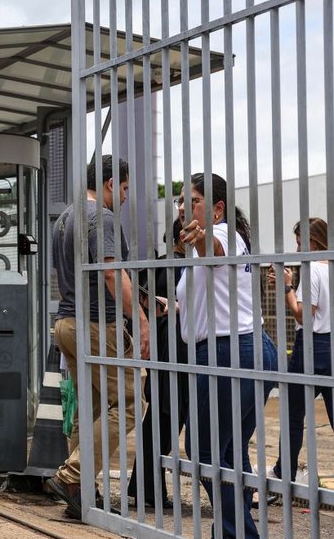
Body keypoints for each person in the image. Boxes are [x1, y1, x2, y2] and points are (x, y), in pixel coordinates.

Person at [44, 155, 150, 519]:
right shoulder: (100, 218)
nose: (125, 196)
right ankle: (72, 474)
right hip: (95, 325)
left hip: (67, 323)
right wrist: (139, 318)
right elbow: (109, 273)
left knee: (90, 407)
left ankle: (80, 492)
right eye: (124, 188)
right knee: (131, 401)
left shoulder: (65, 218)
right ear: (109, 183)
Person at [178, 172, 277, 539]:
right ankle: (231, 530)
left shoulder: (222, 234)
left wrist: (202, 238)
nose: (183, 207)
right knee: (230, 452)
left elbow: (214, 249)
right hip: (246, 348)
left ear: (217, 208)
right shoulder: (222, 240)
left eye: (193, 201)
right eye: (181, 201)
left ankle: (239, 533)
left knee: (204, 451)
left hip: (228, 352)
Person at [127, 217, 189, 509]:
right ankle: (147, 488)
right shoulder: (184, 267)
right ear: (182, 237)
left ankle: (145, 487)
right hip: (178, 350)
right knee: (167, 418)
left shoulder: (157, 267)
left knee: (161, 417)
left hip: (159, 349)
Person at [269, 218, 331, 482]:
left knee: (293, 415)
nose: (297, 250)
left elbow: (303, 315)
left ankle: (285, 474)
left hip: (311, 346)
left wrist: (287, 287)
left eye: (299, 243)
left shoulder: (313, 268)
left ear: (312, 243)